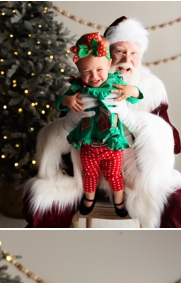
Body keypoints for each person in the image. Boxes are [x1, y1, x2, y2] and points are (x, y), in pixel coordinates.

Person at [24, 16, 181, 228]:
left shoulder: (152, 89)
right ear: (107, 57)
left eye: (133, 53)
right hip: (87, 174)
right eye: (120, 52)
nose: (127, 59)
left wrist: (133, 120)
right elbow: (60, 139)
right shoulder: (85, 84)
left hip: (134, 177)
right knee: (41, 201)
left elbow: (172, 143)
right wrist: (72, 119)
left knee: (180, 203)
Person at [59, 32, 142, 218]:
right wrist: (68, 101)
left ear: (108, 64)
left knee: (114, 175)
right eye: (87, 72)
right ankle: (89, 198)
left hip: (112, 145)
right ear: (79, 70)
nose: (94, 76)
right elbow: (62, 100)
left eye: (99, 70)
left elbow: (138, 95)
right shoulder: (78, 88)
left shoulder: (117, 84)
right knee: (90, 175)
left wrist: (132, 90)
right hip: (88, 144)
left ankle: (119, 200)